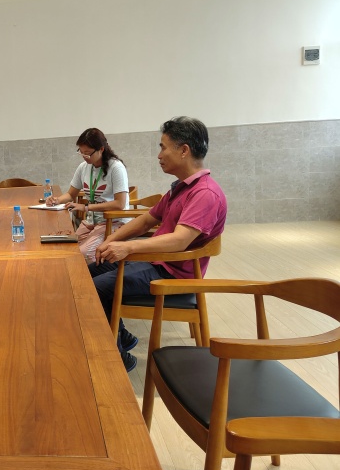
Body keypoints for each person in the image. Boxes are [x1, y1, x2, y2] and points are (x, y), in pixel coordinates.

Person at [89, 116, 227, 372]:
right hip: (157, 262)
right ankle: (122, 336)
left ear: (184, 150)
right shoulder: (181, 188)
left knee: (96, 288)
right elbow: (145, 221)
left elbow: (180, 240)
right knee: (88, 270)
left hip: (174, 273)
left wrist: (128, 247)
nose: (159, 155)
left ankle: (118, 359)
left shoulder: (204, 193)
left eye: (163, 147)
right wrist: (111, 240)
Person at [46, 128, 129, 263]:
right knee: (68, 248)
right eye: (81, 152)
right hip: (92, 221)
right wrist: (56, 200)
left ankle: (92, 275)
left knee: (83, 254)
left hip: (112, 222)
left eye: (88, 153)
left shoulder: (116, 167)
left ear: (101, 149)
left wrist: (86, 208)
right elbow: (71, 194)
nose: (84, 156)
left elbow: (120, 204)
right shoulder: (84, 167)